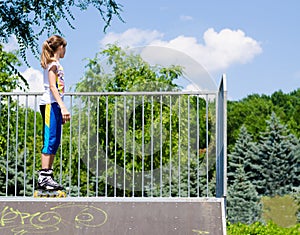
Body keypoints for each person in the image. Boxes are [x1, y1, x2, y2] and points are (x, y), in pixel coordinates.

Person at [38, 35, 70, 190]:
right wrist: (62, 106)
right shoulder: (52, 64)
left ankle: (48, 176)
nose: (65, 52)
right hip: (50, 104)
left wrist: (61, 107)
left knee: (55, 141)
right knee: (49, 140)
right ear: (60, 47)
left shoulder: (57, 64)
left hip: (55, 105)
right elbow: (52, 87)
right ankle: (43, 177)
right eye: (65, 48)